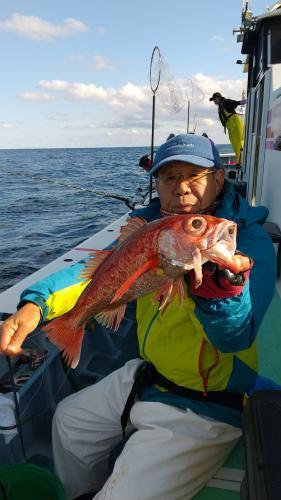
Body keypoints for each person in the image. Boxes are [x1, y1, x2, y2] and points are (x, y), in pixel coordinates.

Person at [0, 134, 276, 500]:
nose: (182, 189)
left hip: (207, 401)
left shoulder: (248, 244)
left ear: (219, 178)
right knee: (69, 423)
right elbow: (98, 271)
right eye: (170, 178)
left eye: (195, 176)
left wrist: (221, 289)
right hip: (148, 374)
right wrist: (38, 304)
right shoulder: (149, 231)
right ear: (157, 184)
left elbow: (236, 337)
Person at [210, 92, 246, 165]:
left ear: (218, 97)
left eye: (214, 99)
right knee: (235, 145)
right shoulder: (220, 106)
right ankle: (239, 161)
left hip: (235, 124)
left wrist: (244, 101)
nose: (214, 102)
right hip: (231, 127)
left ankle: (241, 162)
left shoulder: (225, 102)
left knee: (239, 143)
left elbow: (236, 103)